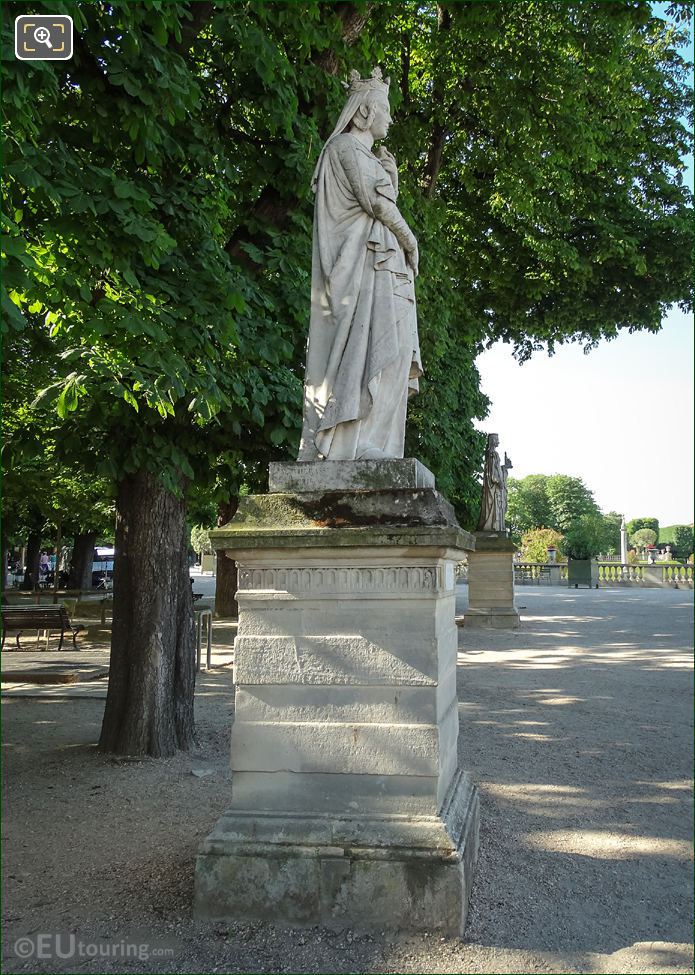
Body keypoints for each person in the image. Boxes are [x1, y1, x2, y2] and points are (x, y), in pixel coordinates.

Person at [298, 67, 422, 461]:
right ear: (365, 113)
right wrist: (409, 238)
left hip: (380, 267)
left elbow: (378, 199)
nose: (390, 118)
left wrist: (391, 179)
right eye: (384, 109)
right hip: (362, 270)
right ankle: (353, 440)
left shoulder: (363, 156)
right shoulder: (345, 149)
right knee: (372, 349)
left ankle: (374, 439)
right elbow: (376, 204)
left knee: (394, 351)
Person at [477, 434, 512, 532]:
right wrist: (498, 480)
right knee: (493, 507)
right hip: (493, 487)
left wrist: (505, 467)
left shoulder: (492, 453)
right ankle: (492, 527)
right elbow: (492, 471)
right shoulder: (492, 453)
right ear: (492, 440)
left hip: (494, 486)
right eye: (497, 440)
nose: (498, 442)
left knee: (495, 507)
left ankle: (495, 527)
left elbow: (497, 469)